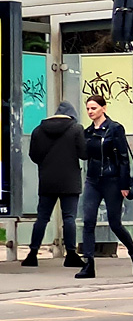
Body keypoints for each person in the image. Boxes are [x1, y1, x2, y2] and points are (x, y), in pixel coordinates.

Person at [76, 94, 133, 279]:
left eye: (94, 108)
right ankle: (88, 264)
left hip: (112, 180)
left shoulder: (115, 129)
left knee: (115, 223)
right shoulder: (88, 132)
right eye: (88, 109)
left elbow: (123, 158)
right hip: (93, 180)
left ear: (103, 108)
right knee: (88, 221)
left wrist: (124, 184)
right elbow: (84, 156)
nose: (90, 112)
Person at [22, 102, 87, 268]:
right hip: (70, 180)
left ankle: (32, 253)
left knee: (42, 217)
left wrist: (46, 165)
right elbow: (83, 153)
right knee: (69, 218)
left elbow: (34, 155)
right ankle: (71, 254)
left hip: (47, 179)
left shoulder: (38, 130)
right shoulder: (76, 129)